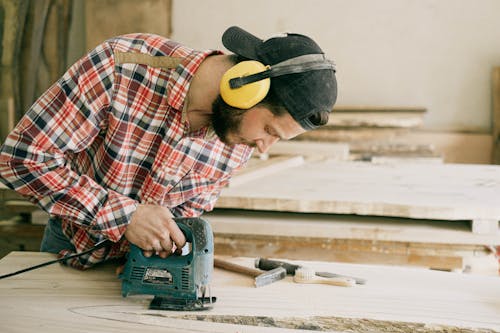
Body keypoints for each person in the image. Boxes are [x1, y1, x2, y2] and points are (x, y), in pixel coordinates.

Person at [0, 26, 337, 269]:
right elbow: (21, 158)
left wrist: (161, 251)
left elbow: (189, 211)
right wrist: (124, 217)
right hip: (69, 250)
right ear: (244, 88)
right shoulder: (121, 67)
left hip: (139, 269)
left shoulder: (237, 135)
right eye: (269, 130)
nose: (264, 148)